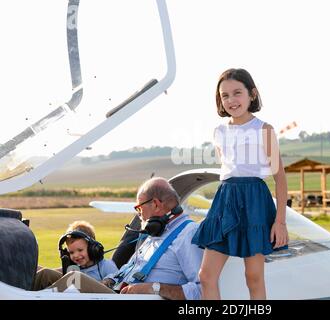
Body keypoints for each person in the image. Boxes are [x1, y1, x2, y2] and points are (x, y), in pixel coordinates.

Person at [191, 68, 289, 300]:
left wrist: (280, 222)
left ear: (252, 94)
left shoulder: (264, 130)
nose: (231, 100)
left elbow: (281, 178)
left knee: (253, 277)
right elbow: (227, 170)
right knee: (206, 275)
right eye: (225, 95)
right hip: (225, 199)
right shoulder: (219, 132)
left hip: (254, 199)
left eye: (237, 93)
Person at [47, 177, 204, 300]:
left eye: (139, 208)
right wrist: (108, 280)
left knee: (75, 279)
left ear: (155, 205)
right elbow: (127, 270)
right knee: (45, 275)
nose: (138, 214)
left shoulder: (188, 234)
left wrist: (153, 287)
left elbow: (201, 290)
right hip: (116, 291)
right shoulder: (157, 232)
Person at [33, 220, 118, 291]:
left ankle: (46, 294)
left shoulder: (106, 265)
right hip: (78, 295)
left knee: (74, 277)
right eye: (71, 252)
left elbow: (116, 279)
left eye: (80, 250)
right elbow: (54, 271)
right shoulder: (75, 266)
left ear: (92, 248)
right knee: (46, 273)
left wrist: (107, 281)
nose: (76, 255)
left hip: (102, 296)